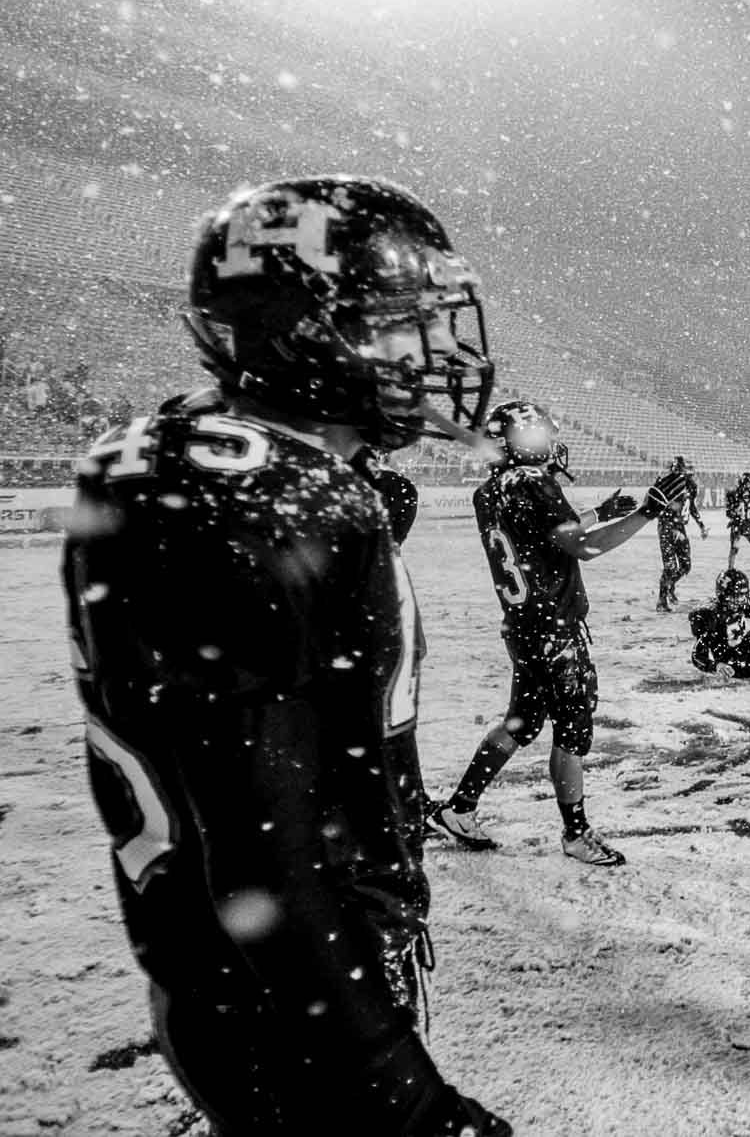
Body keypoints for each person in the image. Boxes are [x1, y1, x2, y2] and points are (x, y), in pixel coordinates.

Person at [64, 176, 507, 1135]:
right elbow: (262, 864)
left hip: (270, 979)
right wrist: (406, 1099)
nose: (429, 352)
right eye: (397, 323)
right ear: (307, 332)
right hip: (286, 1000)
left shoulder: (231, 462)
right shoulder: (256, 495)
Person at [426, 399, 680, 868]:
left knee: (521, 721)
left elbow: (549, 534)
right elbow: (581, 547)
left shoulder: (491, 490)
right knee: (571, 732)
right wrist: (648, 512)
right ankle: (576, 833)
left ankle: (459, 808)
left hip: (522, 625)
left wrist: (598, 511)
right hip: (554, 632)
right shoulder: (532, 483)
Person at [655, 454, 707, 610]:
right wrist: (670, 526)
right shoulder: (667, 483)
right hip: (666, 526)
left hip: (680, 527)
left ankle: (670, 585)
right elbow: (657, 504)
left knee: (685, 565)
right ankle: (661, 600)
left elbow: (690, 507)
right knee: (670, 566)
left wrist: (701, 525)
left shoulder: (691, 486)